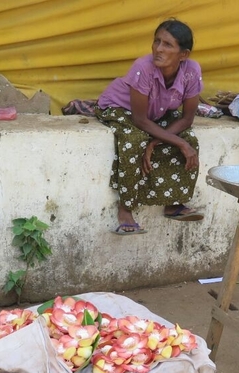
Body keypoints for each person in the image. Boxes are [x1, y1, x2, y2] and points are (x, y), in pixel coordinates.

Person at [96, 18, 204, 235]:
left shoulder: (191, 71)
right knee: (134, 141)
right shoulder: (143, 68)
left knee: (190, 139)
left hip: (156, 113)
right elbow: (139, 120)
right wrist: (175, 142)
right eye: (157, 42)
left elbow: (186, 118)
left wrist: (156, 142)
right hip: (120, 108)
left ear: (184, 54)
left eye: (167, 45)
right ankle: (125, 209)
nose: (158, 49)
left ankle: (174, 204)